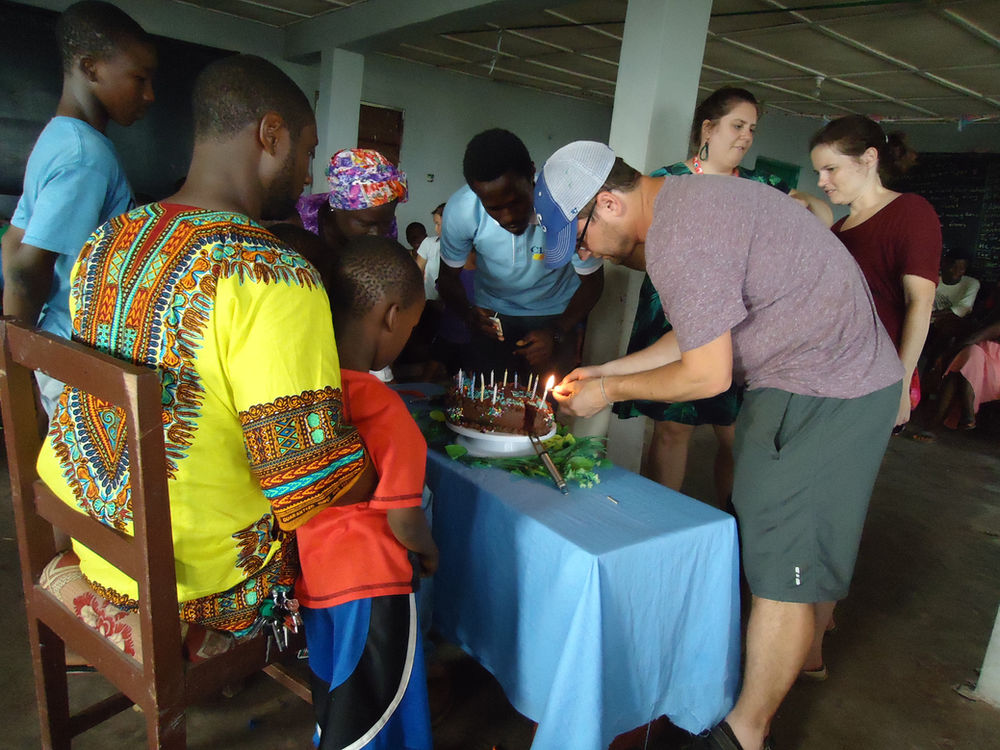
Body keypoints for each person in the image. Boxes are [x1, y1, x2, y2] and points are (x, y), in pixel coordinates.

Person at [537, 141, 902, 750]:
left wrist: (608, 394)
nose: (584, 254)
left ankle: (742, 734)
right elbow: (698, 331)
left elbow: (708, 375)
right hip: (801, 378)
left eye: (579, 239)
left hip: (830, 388)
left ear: (607, 204)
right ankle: (794, 661)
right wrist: (605, 372)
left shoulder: (684, 234)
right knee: (769, 527)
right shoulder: (686, 207)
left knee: (783, 562)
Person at [35, 55, 375, 645]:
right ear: (271, 135)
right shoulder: (272, 272)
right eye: (307, 149)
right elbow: (304, 486)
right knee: (376, 529)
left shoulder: (111, 237)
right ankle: (369, 695)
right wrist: (381, 482)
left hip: (94, 536)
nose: (306, 174)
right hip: (195, 577)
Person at [614, 87, 833, 506]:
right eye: (737, 125)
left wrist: (799, 202)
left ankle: (733, 523)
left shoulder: (759, 186)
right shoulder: (665, 182)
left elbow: (821, 221)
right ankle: (660, 519)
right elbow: (634, 252)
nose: (746, 137)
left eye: (752, 128)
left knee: (734, 433)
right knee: (673, 427)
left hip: (738, 319)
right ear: (708, 128)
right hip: (672, 315)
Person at [296, 235, 437, 750]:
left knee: (336, 693)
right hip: (374, 584)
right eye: (414, 328)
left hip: (316, 577)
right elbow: (404, 518)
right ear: (392, 316)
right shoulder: (384, 407)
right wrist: (430, 550)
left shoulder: (305, 397)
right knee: (377, 708)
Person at [1, 0, 156, 416]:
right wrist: (17, 359)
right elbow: (24, 268)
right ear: (90, 69)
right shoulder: (85, 157)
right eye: (138, 78)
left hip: (59, 345)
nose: (149, 95)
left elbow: (13, 239)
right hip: (74, 352)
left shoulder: (59, 138)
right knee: (90, 475)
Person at [437, 128, 604, 380]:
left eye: (516, 201)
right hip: (493, 318)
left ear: (531, 175)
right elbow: (447, 279)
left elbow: (593, 283)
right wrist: (468, 314)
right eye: (494, 208)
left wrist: (557, 332)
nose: (509, 217)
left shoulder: (564, 207)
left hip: (558, 314)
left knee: (548, 407)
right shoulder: (461, 210)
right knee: (488, 404)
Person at [810, 115, 942, 432]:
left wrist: (899, 382)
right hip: (827, 374)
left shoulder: (910, 211)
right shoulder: (840, 230)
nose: (821, 181)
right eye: (818, 172)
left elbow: (920, 304)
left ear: (869, 158)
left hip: (873, 379)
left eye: (831, 169)